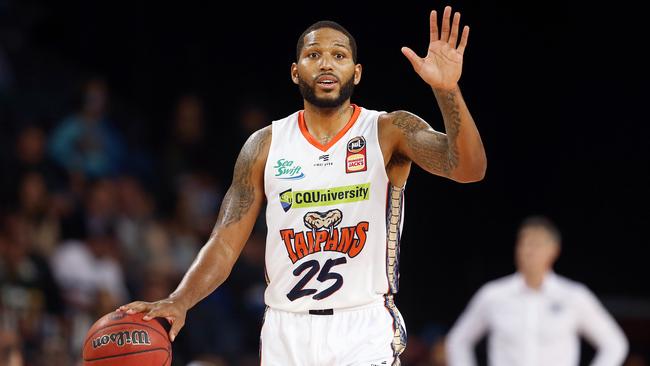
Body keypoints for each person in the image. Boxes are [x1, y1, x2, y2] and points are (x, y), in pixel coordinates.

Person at [120, 6, 487, 365]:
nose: (326, 63)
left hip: (363, 327)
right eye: (314, 55)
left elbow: (468, 168)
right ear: (296, 72)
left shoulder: (388, 131)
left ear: (356, 73)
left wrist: (447, 90)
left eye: (338, 55)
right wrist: (180, 299)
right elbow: (224, 243)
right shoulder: (265, 145)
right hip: (286, 328)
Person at [446, 216, 629, 366]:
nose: (529, 251)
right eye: (524, 243)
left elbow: (614, 344)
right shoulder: (493, 295)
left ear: (554, 251)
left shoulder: (573, 296)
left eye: (537, 244)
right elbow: (458, 340)